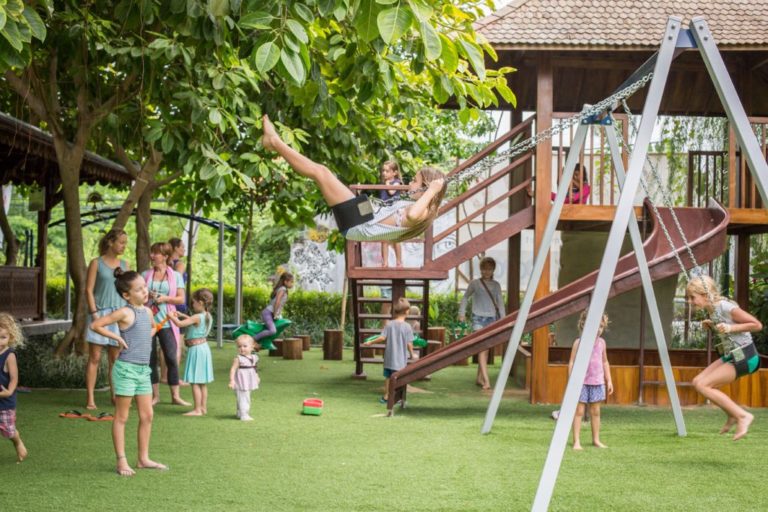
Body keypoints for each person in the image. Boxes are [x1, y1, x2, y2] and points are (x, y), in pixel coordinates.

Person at [261, 115, 447, 243]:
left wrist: (433, 191)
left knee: (321, 172)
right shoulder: (425, 207)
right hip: (364, 215)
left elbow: (413, 215)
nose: (409, 185)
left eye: (415, 181)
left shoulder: (423, 212)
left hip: (359, 224)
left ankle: (274, 142)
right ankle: (274, 142)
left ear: (426, 187)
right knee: (323, 173)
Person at [90, 269, 168, 476]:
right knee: (122, 417)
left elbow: (150, 329)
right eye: (139, 289)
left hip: (143, 370)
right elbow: (96, 324)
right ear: (126, 295)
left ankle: (143, 459)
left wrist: (162, 322)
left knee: (147, 415)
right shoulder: (125, 312)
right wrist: (116, 338)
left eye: (145, 287)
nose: (145, 291)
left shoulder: (148, 311)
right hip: (126, 370)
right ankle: (121, 461)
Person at [687, 275, 761, 441]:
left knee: (704, 385)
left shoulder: (725, 307)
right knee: (698, 382)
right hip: (733, 355)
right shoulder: (712, 309)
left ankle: (743, 416)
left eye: (693, 297)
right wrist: (712, 324)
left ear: (705, 295)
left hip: (746, 356)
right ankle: (732, 415)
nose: (690, 301)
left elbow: (756, 325)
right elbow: (724, 326)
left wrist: (729, 327)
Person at [84, 229, 129, 410]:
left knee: (115, 359)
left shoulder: (125, 264)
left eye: (125, 243)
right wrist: (94, 313)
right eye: (121, 242)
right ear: (110, 242)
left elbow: (128, 290)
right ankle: (90, 399)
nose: (124, 246)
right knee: (94, 357)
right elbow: (88, 290)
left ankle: (114, 396)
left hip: (119, 316)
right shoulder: (96, 263)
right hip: (100, 314)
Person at [144, 242, 190, 406]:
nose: (152, 256)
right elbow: (137, 296)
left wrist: (164, 299)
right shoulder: (145, 275)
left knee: (171, 357)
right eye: (151, 253)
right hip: (148, 323)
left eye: (155, 253)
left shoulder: (175, 275)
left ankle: (175, 396)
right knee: (150, 360)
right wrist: (147, 296)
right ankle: (154, 396)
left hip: (167, 322)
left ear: (164, 256)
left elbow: (180, 299)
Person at [568, 310, 613, 450]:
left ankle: (596, 440)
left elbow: (605, 362)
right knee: (579, 411)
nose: (598, 330)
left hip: (597, 382)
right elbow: (571, 362)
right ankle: (576, 442)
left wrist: (609, 380)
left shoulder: (602, 343)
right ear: (584, 325)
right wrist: (571, 381)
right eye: (595, 326)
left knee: (596, 412)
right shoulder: (578, 343)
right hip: (581, 383)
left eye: (601, 327)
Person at [458, 256, 505, 390]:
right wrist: (462, 313)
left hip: (492, 319)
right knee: (482, 348)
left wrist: (503, 319)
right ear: (481, 269)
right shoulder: (475, 283)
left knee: (485, 350)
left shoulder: (496, 285)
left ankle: (479, 377)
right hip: (477, 318)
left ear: (493, 270)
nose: (486, 272)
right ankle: (487, 380)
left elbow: (500, 303)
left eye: (489, 269)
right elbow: (465, 297)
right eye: (484, 269)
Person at [362, 298, 417, 404]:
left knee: (388, 377)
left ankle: (386, 396)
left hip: (389, 358)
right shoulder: (407, 327)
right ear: (407, 311)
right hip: (401, 360)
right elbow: (409, 343)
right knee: (399, 378)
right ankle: (399, 398)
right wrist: (412, 354)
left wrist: (370, 343)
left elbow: (382, 338)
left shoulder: (389, 324)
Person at [168, 289, 214, 416]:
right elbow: (194, 322)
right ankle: (203, 408)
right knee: (202, 382)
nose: (192, 305)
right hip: (204, 347)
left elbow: (179, 324)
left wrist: (170, 316)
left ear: (200, 302)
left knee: (194, 381)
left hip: (196, 350)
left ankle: (197, 409)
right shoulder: (207, 315)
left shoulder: (196, 317)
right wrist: (183, 315)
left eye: (193, 303)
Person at [0, 313, 27, 462]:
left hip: (5, 401)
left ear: (10, 337)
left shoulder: (9, 356)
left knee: (8, 431)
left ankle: (17, 441)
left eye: (3, 337)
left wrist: (9, 392)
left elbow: (14, 378)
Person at [254, 272, 294, 343]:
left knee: (280, 326)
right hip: (268, 313)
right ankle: (254, 338)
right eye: (291, 282)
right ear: (285, 282)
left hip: (272, 313)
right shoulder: (283, 289)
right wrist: (275, 314)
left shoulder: (282, 289)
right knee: (272, 331)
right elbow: (277, 302)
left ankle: (265, 342)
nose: (292, 284)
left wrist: (278, 314)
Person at [228, 334, 260, 421]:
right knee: (243, 397)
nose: (242, 348)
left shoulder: (254, 357)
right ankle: (244, 414)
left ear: (252, 346)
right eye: (239, 346)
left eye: (245, 346)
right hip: (241, 381)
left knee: (244, 396)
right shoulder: (238, 358)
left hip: (248, 380)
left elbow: (254, 368)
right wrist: (232, 380)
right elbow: (233, 369)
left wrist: (257, 377)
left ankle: (240, 412)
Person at [379, 160, 403, 267]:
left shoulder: (396, 182)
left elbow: (392, 192)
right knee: (384, 239)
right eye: (383, 171)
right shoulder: (384, 183)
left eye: (387, 171)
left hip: (394, 212)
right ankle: (385, 262)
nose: (384, 173)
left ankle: (399, 261)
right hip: (384, 212)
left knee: (396, 239)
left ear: (394, 173)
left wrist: (388, 184)